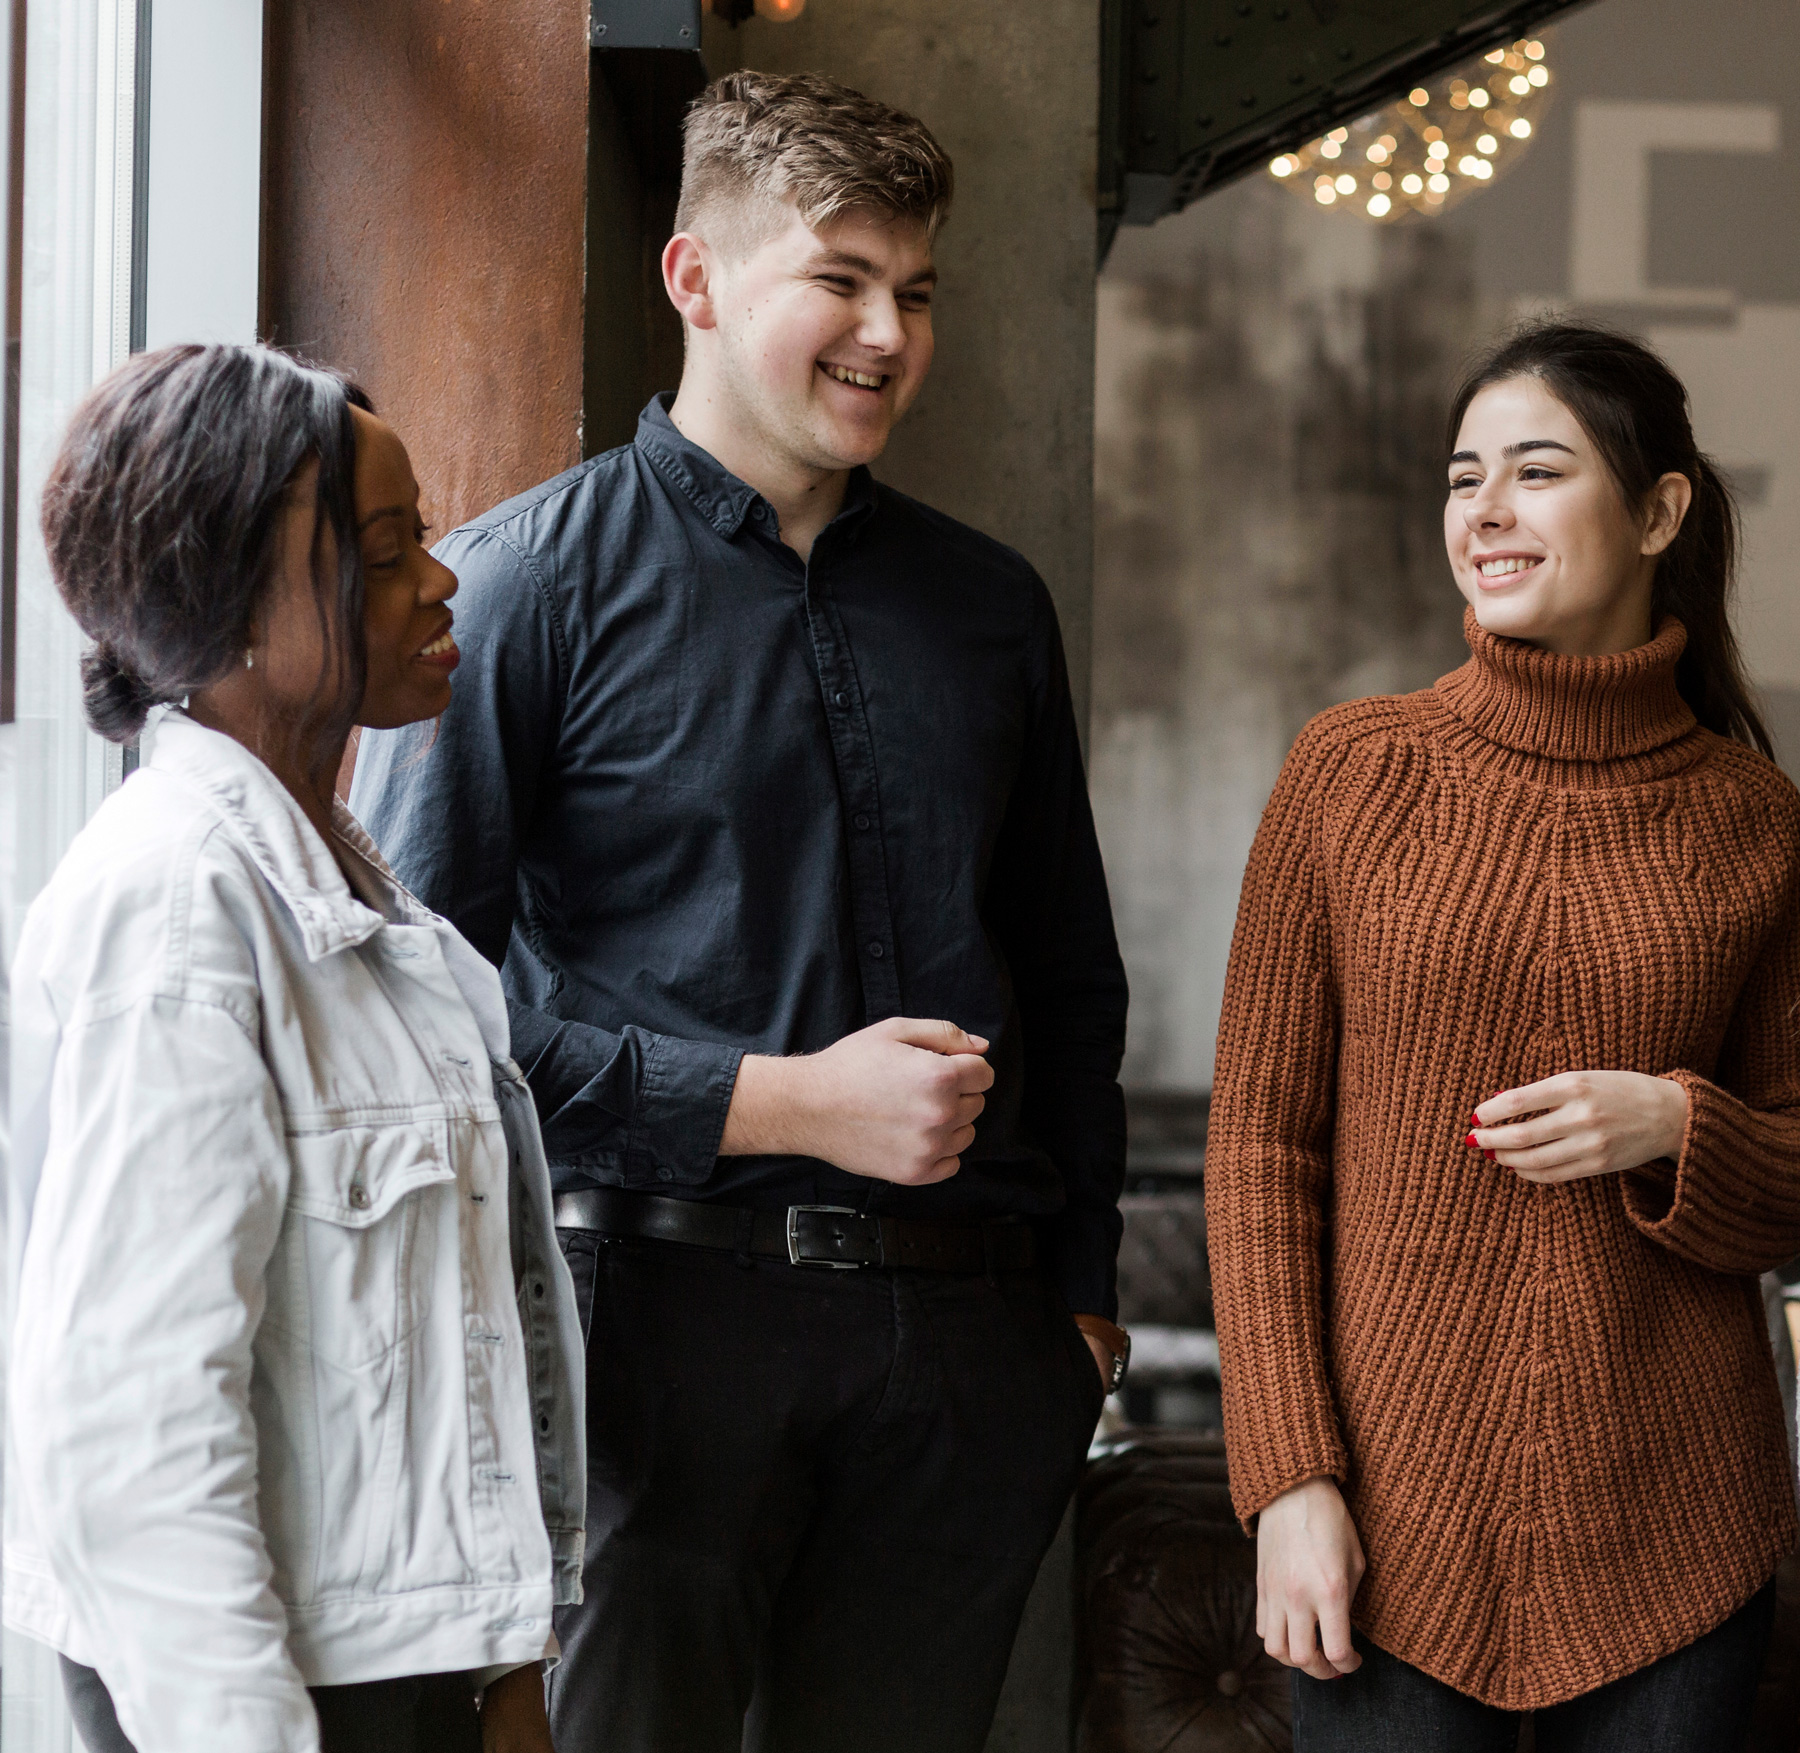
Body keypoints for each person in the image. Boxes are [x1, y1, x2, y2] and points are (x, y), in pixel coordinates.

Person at [351, 69, 1129, 1753]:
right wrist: (782, 1103)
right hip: (654, 1352)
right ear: (696, 280)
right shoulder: (514, 591)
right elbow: (413, 1025)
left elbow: (1070, 972)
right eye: (839, 279)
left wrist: (1073, 1310)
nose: (887, 333)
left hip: (970, 1356)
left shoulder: (993, 609)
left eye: (915, 290)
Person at [1207, 319, 1800, 1750]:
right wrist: (1290, 1479)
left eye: (1538, 471)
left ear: (1660, 511)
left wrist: (1679, 1126)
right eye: (1464, 476)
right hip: (1384, 1533)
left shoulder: (1757, 821)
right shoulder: (1350, 771)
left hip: (1679, 1527)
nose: (1485, 512)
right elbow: (1257, 1151)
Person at [5, 343, 585, 1753]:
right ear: (244, 604)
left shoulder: (363, 906)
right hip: (275, 1699)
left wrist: (509, 1682)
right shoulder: (178, 906)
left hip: (402, 1681)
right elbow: (133, 1433)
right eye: (386, 553)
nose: (443, 578)